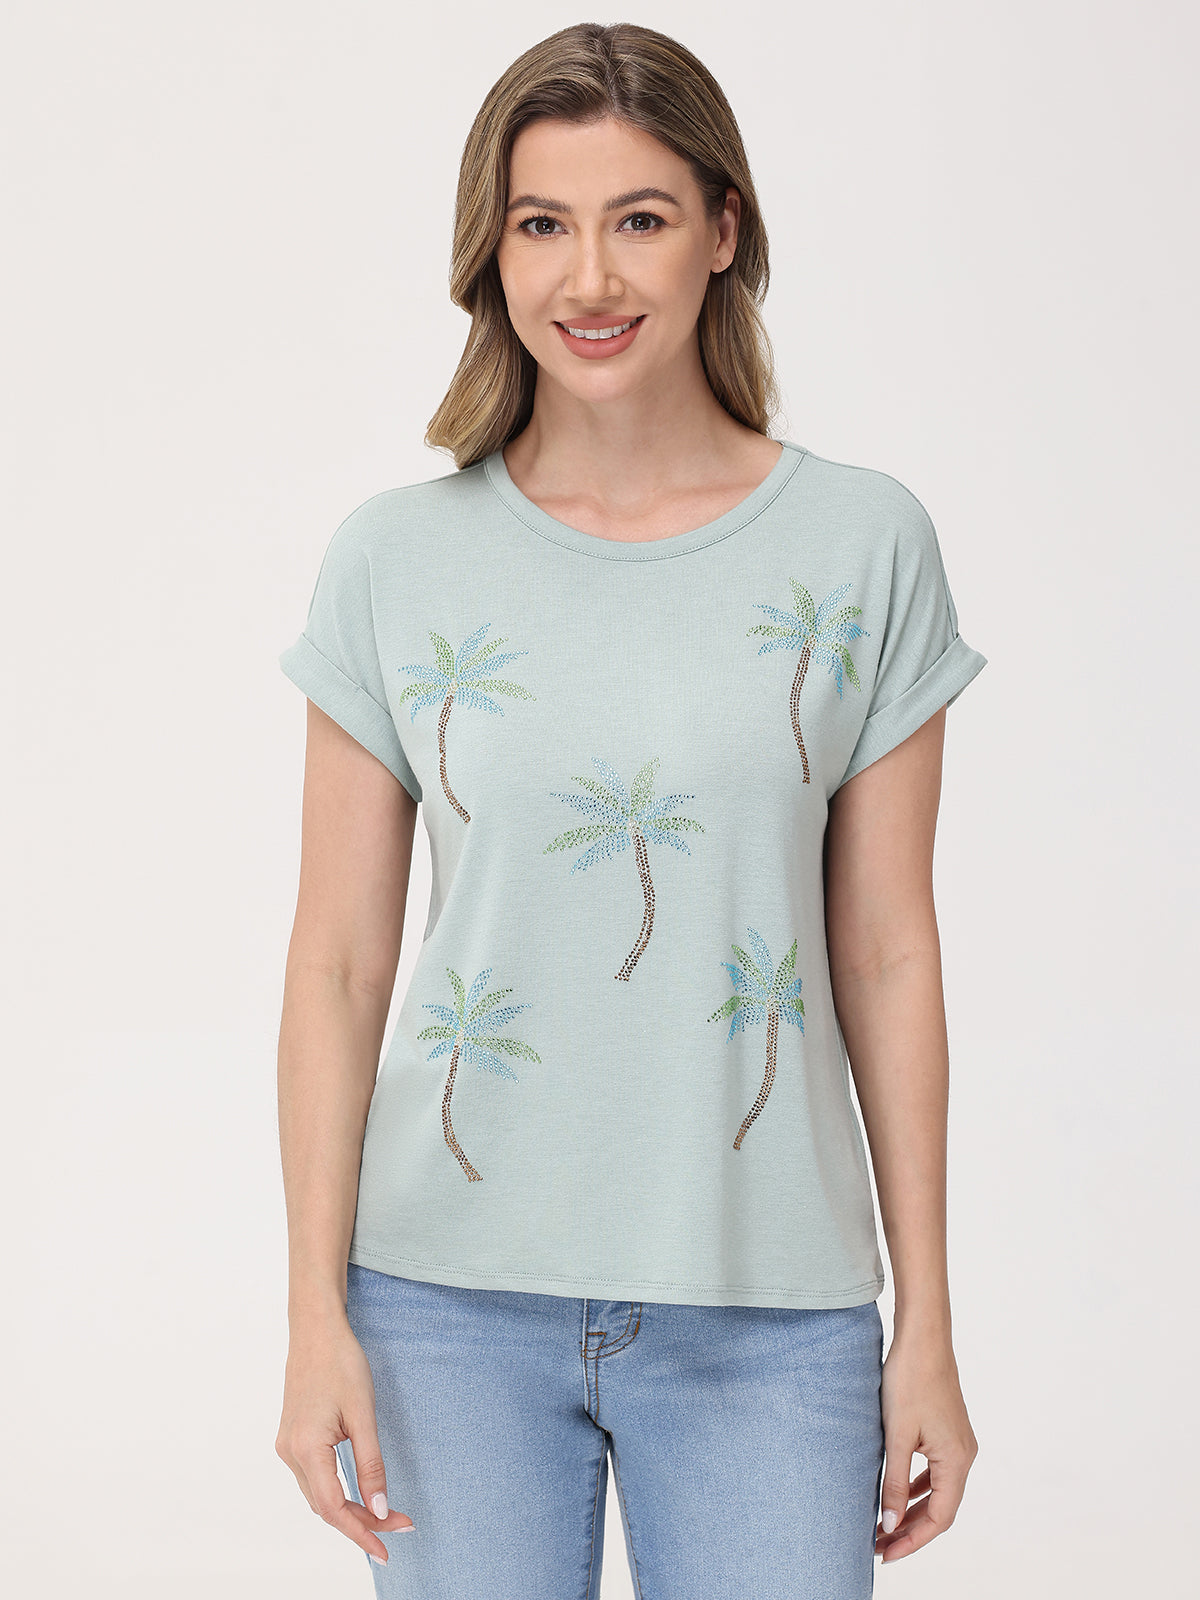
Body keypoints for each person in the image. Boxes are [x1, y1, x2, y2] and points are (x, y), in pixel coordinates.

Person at [273, 20, 984, 1599]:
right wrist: (314, 1313)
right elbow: (337, 965)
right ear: (493, 251)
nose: (588, 277)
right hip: (441, 1312)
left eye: (639, 218)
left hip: (772, 1317)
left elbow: (888, 956)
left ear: (724, 231)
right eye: (543, 223)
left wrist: (927, 1323)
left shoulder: (862, 547)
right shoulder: (395, 559)